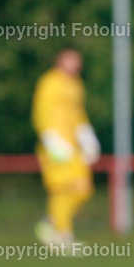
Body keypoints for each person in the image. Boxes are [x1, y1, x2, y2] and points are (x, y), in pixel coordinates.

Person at [32, 49, 99, 246]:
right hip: (55, 146)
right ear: (59, 61)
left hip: (73, 147)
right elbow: (40, 112)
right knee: (61, 189)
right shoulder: (49, 82)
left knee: (83, 189)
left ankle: (51, 221)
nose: (75, 65)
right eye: (71, 61)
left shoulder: (76, 84)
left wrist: (87, 137)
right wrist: (50, 139)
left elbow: (78, 113)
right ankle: (62, 234)